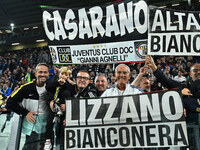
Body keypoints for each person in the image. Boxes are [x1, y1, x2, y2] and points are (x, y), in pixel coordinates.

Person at [6, 63, 50, 150]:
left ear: (48, 74)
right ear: (35, 73)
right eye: (40, 72)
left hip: (47, 129)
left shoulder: (51, 87)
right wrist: (25, 112)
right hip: (31, 130)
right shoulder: (25, 88)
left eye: (45, 72)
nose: (43, 74)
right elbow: (10, 102)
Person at [44, 67, 74, 150]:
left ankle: (61, 144)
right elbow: (48, 87)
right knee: (49, 122)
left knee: (61, 129)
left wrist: (65, 83)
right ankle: (48, 141)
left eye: (66, 75)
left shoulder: (68, 85)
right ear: (59, 74)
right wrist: (57, 82)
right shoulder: (54, 82)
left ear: (68, 77)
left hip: (64, 111)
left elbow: (71, 91)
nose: (63, 76)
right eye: (62, 74)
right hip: (54, 107)